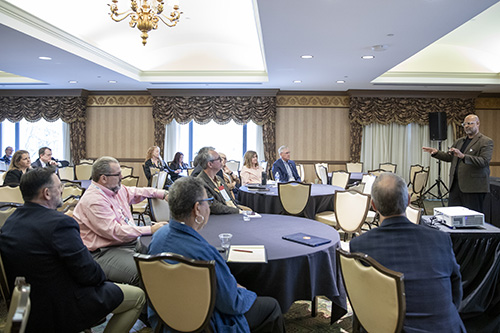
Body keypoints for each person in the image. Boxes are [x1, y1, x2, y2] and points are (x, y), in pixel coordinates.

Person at [0, 167, 146, 333]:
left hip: (26, 302)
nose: (62, 190)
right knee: (138, 296)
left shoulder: (11, 220)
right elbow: (89, 273)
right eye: (59, 187)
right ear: (47, 193)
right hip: (61, 305)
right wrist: (105, 278)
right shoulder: (60, 224)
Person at [148, 177, 285, 332]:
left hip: (167, 317)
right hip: (204, 323)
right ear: (197, 208)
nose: (209, 206)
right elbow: (231, 303)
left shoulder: (158, 237)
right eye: (208, 201)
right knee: (272, 306)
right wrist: (244, 291)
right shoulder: (204, 252)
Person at [349, 173, 465, 332]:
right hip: (446, 327)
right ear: (408, 201)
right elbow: (455, 287)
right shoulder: (440, 239)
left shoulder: (360, 245)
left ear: (373, 205)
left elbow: (361, 300)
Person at [73, 156, 168, 286]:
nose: (122, 176)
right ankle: (145, 305)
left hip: (125, 243)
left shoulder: (115, 189)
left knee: (163, 258)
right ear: (104, 178)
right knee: (146, 273)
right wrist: (150, 229)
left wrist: (162, 193)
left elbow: (137, 192)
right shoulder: (94, 200)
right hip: (103, 252)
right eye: (117, 174)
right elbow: (114, 231)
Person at [423, 114, 493, 213]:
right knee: (453, 215)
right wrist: (436, 153)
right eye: (464, 124)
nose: (467, 126)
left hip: (473, 188)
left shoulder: (486, 141)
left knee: (471, 218)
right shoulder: (460, 141)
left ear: (478, 124)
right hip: (456, 186)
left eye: (470, 123)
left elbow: (484, 161)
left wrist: (463, 156)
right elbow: (450, 157)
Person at [197, 149, 248, 214]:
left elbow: (229, 200)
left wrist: (239, 210)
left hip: (232, 211)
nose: (222, 161)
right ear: (210, 164)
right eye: (219, 159)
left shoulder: (219, 179)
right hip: (221, 217)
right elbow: (215, 207)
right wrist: (238, 211)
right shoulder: (200, 182)